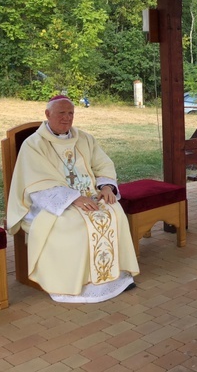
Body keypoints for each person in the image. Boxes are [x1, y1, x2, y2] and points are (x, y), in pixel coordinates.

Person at [6, 96, 139, 303]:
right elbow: (35, 183)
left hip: (88, 195)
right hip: (51, 203)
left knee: (114, 210)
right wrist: (72, 199)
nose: (67, 118)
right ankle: (76, 283)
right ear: (47, 114)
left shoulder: (84, 139)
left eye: (70, 113)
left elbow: (103, 164)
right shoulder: (33, 145)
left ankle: (113, 276)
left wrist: (106, 186)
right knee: (75, 223)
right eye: (61, 113)